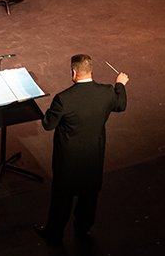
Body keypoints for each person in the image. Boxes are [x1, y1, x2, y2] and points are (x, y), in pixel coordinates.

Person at [35, 54, 128, 242]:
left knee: (62, 197)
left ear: (74, 72)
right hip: (93, 155)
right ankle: (83, 228)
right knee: (89, 194)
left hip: (67, 158)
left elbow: (48, 124)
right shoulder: (107, 92)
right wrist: (120, 85)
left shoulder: (63, 99)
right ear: (91, 71)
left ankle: (54, 231)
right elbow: (121, 104)